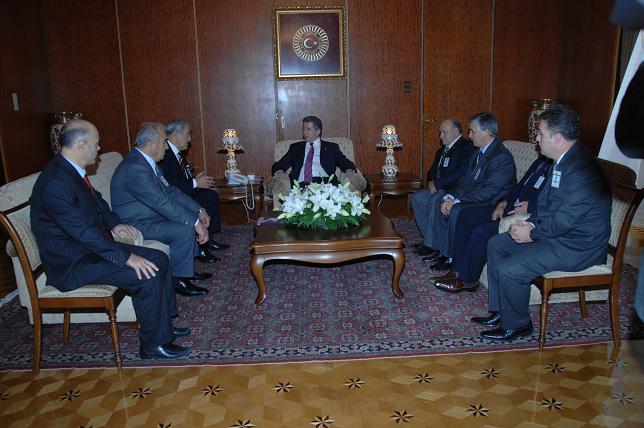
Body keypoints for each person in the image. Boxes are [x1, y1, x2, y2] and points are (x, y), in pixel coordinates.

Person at [30, 119, 189, 360]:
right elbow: (85, 233)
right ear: (81, 145)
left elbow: (98, 202)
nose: (99, 148)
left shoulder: (70, 171)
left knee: (159, 258)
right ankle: (152, 345)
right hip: (72, 263)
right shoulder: (56, 183)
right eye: (96, 143)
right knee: (146, 273)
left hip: (87, 250)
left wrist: (115, 223)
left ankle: (163, 326)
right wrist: (127, 257)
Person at [478, 104, 611, 341]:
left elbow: (566, 219)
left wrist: (532, 233)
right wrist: (530, 224)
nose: (536, 139)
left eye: (540, 133)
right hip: (559, 235)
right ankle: (502, 311)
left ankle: (518, 325)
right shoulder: (562, 160)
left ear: (557, 138)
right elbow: (546, 203)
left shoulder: (583, 170)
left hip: (578, 245)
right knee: (496, 244)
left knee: (511, 269)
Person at [111, 122, 211, 297]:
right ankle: (179, 280)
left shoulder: (145, 161)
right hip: (136, 224)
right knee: (184, 229)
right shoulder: (135, 167)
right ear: (151, 145)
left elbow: (170, 191)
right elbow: (161, 202)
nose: (166, 147)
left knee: (188, 218)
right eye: (164, 142)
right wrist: (195, 222)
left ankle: (187, 270)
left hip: (150, 215)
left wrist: (198, 210)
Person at [434, 151, 552, 293]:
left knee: (481, 231)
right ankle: (456, 270)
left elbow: (555, 203)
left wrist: (532, 207)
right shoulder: (540, 162)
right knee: (465, 215)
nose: (537, 142)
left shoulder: (559, 168)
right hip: (508, 206)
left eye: (540, 138)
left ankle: (468, 280)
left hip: (520, 216)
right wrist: (503, 202)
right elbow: (518, 187)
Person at [416, 112, 516, 271]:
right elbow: (465, 181)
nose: (469, 136)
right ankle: (443, 251)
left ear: (486, 132)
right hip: (477, 198)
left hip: (492, 204)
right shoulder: (478, 152)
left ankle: (452, 258)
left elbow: (488, 191)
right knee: (442, 200)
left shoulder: (500, 157)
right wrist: (451, 196)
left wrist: (457, 201)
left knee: (457, 210)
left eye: (473, 131)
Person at [157, 119, 228, 264]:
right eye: (187, 134)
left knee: (211, 195)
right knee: (202, 200)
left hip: (184, 191)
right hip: (174, 197)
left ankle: (209, 239)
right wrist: (195, 183)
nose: (190, 139)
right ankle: (200, 247)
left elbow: (181, 178)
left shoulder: (178, 152)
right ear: (175, 135)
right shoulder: (165, 155)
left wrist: (195, 180)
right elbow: (170, 186)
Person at [411, 118, 475, 255]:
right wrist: (431, 182)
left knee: (436, 200)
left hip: (453, 190)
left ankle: (433, 245)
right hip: (438, 188)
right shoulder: (442, 150)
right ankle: (430, 239)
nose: (441, 136)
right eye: (440, 132)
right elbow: (432, 172)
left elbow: (461, 173)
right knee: (417, 197)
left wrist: (438, 184)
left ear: (456, 132)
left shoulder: (466, 148)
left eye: (444, 132)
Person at [270, 116, 361, 189]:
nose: (305, 132)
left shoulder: (331, 148)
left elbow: (345, 162)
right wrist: (279, 172)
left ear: (318, 132)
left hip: (325, 184)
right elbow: (279, 165)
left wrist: (349, 170)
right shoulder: (295, 148)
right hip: (301, 185)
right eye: (303, 129)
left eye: (308, 129)